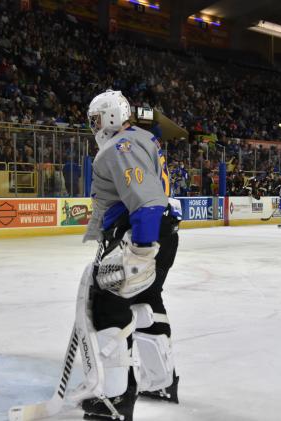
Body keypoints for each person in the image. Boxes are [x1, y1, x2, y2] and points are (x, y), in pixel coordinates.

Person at [78, 90, 181, 421]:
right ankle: (161, 382)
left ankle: (115, 399)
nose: (94, 126)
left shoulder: (120, 145)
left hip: (138, 234)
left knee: (109, 305)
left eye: (96, 119)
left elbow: (146, 199)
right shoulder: (141, 137)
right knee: (148, 301)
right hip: (159, 230)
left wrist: (140, 250)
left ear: (110, 116)